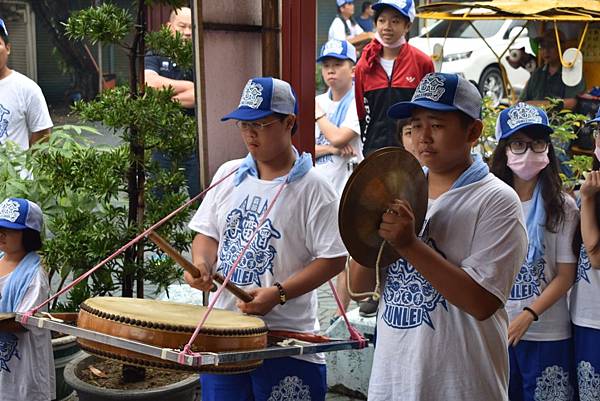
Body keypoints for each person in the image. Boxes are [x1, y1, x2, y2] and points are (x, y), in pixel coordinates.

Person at [349, 72, 528, 400]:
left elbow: (482, 302)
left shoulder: (497, 200)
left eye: (437, 124)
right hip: (393, 382)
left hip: (461, 386)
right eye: (416, 124)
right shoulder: (398, 188)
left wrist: (408, 244)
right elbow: (359, 289)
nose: (423, 137)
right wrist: (367, 229)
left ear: (473, 131)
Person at [185, 77, 347, 401]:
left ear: (290, 123)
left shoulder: (315, 188)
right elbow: (206, 234)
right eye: (244, 125)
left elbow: (334, 259)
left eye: (260, 124)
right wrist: (201, 265)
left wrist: (278, 293)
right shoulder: (229, 174)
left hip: (285, 342)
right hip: (225, 334)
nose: (249, 134)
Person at [490, 102, 578, 401]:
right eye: (518, 144)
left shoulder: (562, 206)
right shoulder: (489, 203)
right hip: (496, 330)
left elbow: (565, 276)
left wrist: (529, 314)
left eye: (537, 143)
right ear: (503, 150)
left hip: (547, 332)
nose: (528, 152)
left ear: (548, 149)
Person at [314, 39, 363, 320]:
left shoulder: (355, 101)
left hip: (346, 186)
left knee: (344, 251)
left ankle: (340, 312)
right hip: (318, 183)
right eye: (327, 66)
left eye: (338, 65)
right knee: (313, 249)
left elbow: (340, 137)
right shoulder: (318, 100)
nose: (331, 71)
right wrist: (332, 148)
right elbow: (308, 147)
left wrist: (318, 116)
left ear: (352, 69)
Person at [354, 0, 434, 156]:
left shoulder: (422, 62)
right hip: (374, 151)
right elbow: (361, 112)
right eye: (382, 20)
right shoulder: (364, 65)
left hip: (412, 152)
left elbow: (430, 110)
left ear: (408, 26)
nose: (387, 27)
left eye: (395, 21)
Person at [0, 197, 55, 401]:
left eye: (10, 229)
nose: (1, 234)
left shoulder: (34, 276)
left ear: (28, 234)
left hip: (24, 364)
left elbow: (22, 323)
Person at [144, 7, 200, 199]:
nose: (187, 32)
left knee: (201, 199)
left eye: (191, 27)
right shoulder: (156, 53)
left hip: (196, 141)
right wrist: (191, 86)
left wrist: (164, 98)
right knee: (159, 201)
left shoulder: (200, 57)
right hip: (162, 140)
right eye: (182, 26)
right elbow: (149, 84)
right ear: (169, 27)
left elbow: (200, 97)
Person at [570, 108, 600, 400]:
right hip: (585, 315)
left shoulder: (590, 191)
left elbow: (595, 255)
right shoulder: (594, 181)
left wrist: (587, 201)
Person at [0, 18, 52, 151]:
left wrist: (23, 164)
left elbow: (43, 133)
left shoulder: (27, 88)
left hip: (15, 171)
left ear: (8, 48)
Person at [520, 29, 586, 110]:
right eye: (543, 46)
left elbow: (572, 102)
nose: (546, 51)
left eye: (551, 46)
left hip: (561, 120)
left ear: (562, 46)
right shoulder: (538, 73)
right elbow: (523, 99)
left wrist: (539, 105)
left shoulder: (572, 72)